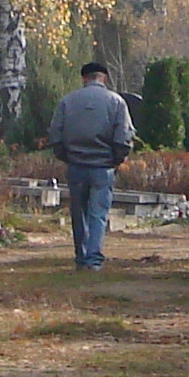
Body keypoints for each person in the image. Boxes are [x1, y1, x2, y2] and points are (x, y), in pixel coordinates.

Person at [44, 59, 135, 270]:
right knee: (98, 214)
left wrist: (66, 156)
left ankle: (81, 256)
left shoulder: (68, 101)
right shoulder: (116, 102)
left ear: (84, 78)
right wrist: (115, 159)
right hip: (103, 167)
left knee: (79, 212)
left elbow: (55, 134)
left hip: (76, 165)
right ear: (105, 78)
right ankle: (94, 259)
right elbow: (123, 138)